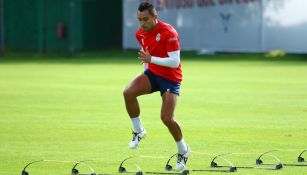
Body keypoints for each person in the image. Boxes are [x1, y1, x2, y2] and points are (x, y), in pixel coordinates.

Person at [123, 2, 189, 171]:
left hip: (170, 78)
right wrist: (146, 71)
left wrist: (151, 60)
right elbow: (146, 56)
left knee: (167, 118)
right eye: (139, 20)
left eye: (145, 19)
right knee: (128, 92)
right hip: (153, 75)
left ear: (154, 17)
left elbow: (175, 62)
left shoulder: (169, 32)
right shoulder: (141, 33)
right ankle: (139, 131)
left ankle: (183, 149)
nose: (142, 23)